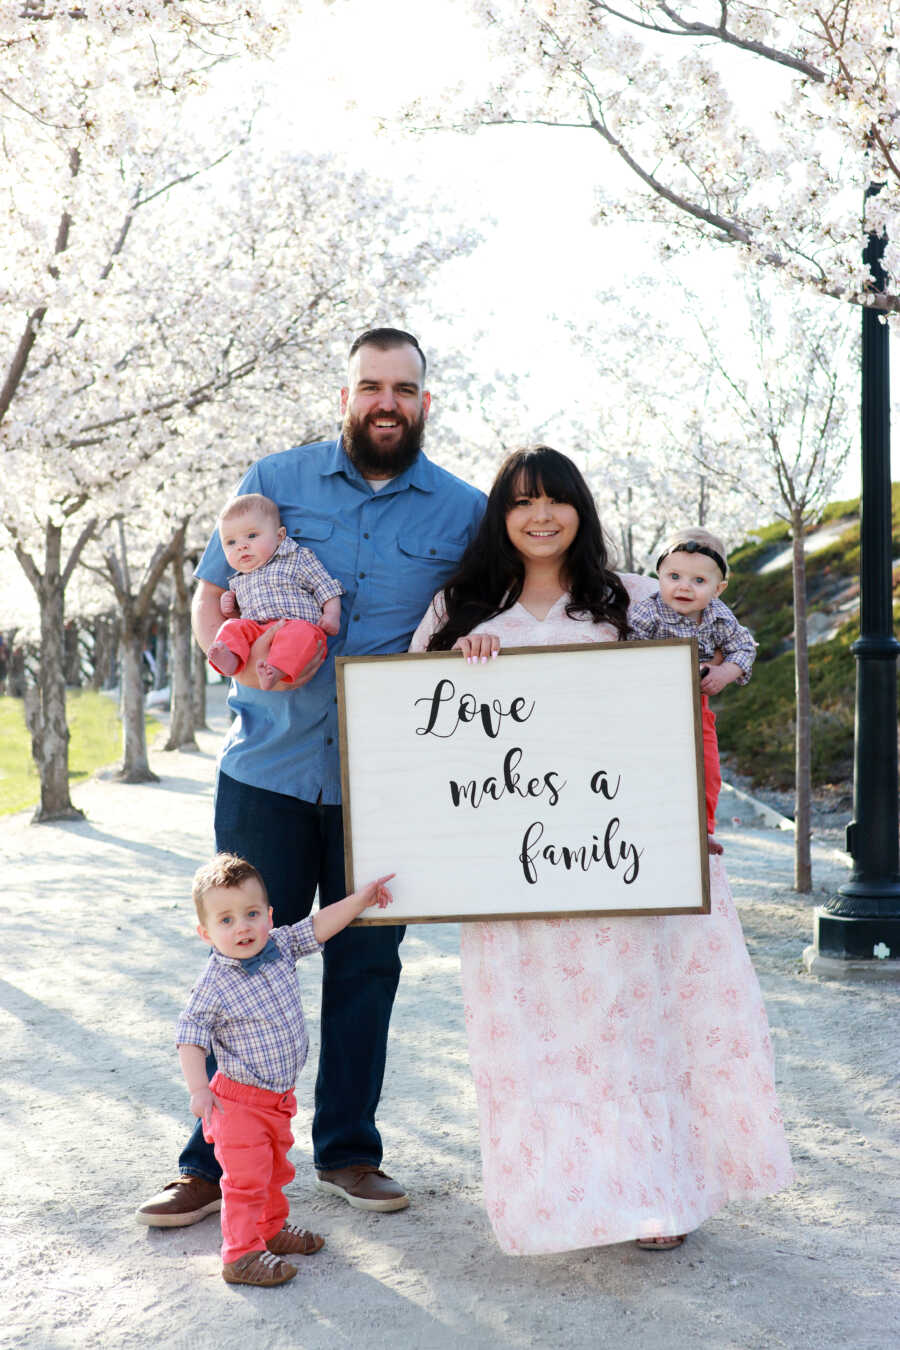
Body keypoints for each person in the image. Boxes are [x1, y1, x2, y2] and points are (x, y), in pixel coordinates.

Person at [137, 328, 484, 1228]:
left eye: (403, 388)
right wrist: (229, 661)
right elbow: (214, 589)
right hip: (270, 769)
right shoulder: (274, 481)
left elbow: (500, 617)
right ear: (345, 396)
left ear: (424, 404)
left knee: (368, 961)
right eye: (369, 384)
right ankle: (209, 1160)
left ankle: (348, 1150)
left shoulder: (462, 510)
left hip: (390, 780)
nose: (385, 401)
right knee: (240, 957)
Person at [411, 446, 793, 1255]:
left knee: (640, 1027)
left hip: (623, 855)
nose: (540, 516)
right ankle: (563, 1199)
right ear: (500, 515)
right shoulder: (462, 605)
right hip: (515, 869)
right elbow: (417, 722)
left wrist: (719, 677)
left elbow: (710, 658)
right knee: (541, 1036)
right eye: (522, 502)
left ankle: (658, 1193)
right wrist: (458, 661)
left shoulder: (635, 600)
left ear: (581, 511)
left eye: (557, 500)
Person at [177, 854, 394, 1286]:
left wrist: (359, 900)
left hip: (276, 1099)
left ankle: (270, 1231)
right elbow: (190, 1034)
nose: (242, 927)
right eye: (226, 920)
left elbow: (319, 925)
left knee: (275, 1171)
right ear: (206, 933)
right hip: (237, 1102)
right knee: (244, 1182)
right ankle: (239, 1255)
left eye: (252, 914)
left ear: (269, 916)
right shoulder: (214, 983)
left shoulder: (279, 946)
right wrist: (198, 1088)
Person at [628, 527, 757, 855]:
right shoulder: (648, 611)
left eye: (699, 581)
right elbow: (628, 648)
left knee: (707, 767)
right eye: (674, 576)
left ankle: (703, 828)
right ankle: (648, 822)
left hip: (694, 703)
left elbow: (744, 647)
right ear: (659, 576)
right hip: (649, 705)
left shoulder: (719, 616)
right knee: (651, 764)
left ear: (718, 588)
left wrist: (725, 671)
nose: (684, 587)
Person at [207, 492, 343, 691]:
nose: (242, 546)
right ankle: (230, 659)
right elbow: (242, 615)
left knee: (302, 634)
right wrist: (229, 610)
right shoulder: (238, 579)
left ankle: (275, 670)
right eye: (231, 543)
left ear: (279, 536)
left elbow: (324, 586)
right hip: (257, 632)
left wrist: (332, 615)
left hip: (295, 625)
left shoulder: (296, 558)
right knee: (231, 627)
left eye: (252, 536)